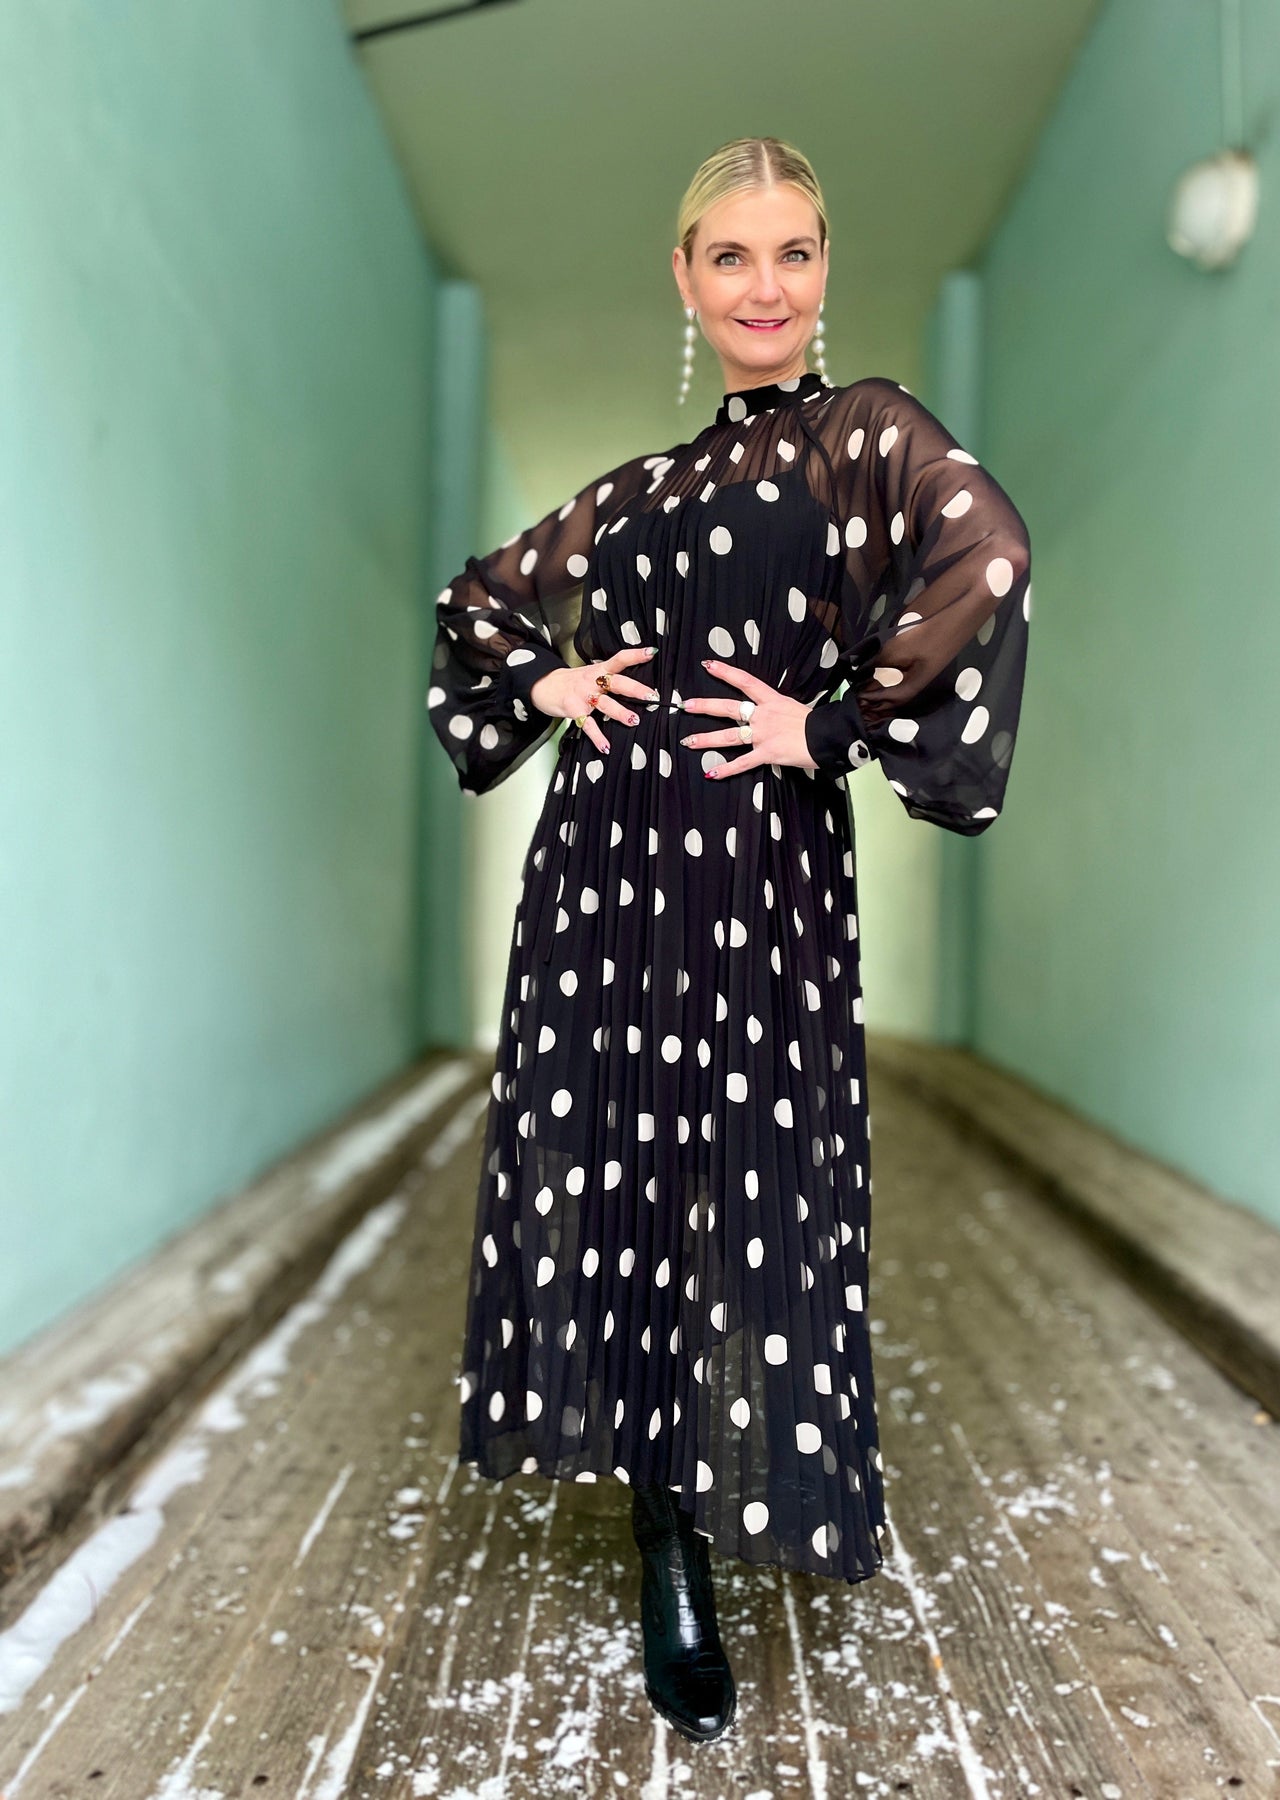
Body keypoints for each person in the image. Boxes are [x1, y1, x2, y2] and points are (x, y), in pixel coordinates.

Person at [427, 135, 1032, 1744]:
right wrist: (549, 680)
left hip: (761, 870)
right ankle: (666, 1542)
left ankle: (722, 1484)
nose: (764, 286)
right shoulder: (632, 493)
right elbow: (477, 604)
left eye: (792, 252)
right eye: (730, 256)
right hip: (601, 869)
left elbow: (987, 554)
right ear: (685, 280)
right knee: (622, 1163)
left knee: (744, 1169)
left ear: (824, 270)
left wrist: (824, 727)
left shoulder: (861, 436)